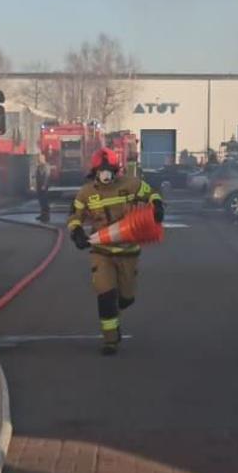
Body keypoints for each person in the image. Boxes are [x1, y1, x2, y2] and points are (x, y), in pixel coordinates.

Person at [67, 148, 162, 355]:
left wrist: (157, 205)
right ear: (95, 171)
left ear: (116, 170)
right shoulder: (86, 193)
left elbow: (152, 193)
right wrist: (76, 232)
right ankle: (110, 340)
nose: (106, 174)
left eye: (109, 170)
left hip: (128, 251)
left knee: (126, 298)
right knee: (105, 294)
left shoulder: (131, 184)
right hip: (101, 252)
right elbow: (75, 215)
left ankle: (120, 307)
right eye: (102, 170)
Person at [31, 152, 53, 223]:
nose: (39, 159)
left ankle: (46, 216)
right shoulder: (38, 166)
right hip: (39, 185)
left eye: (40, 158)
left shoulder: (46, 166)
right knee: (41, 200)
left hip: (43, 185)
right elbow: (35, 176)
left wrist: (44, 184)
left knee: (44, 200)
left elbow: (47, 176)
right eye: (38, 158)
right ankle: (42, 214)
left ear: (43, 158)